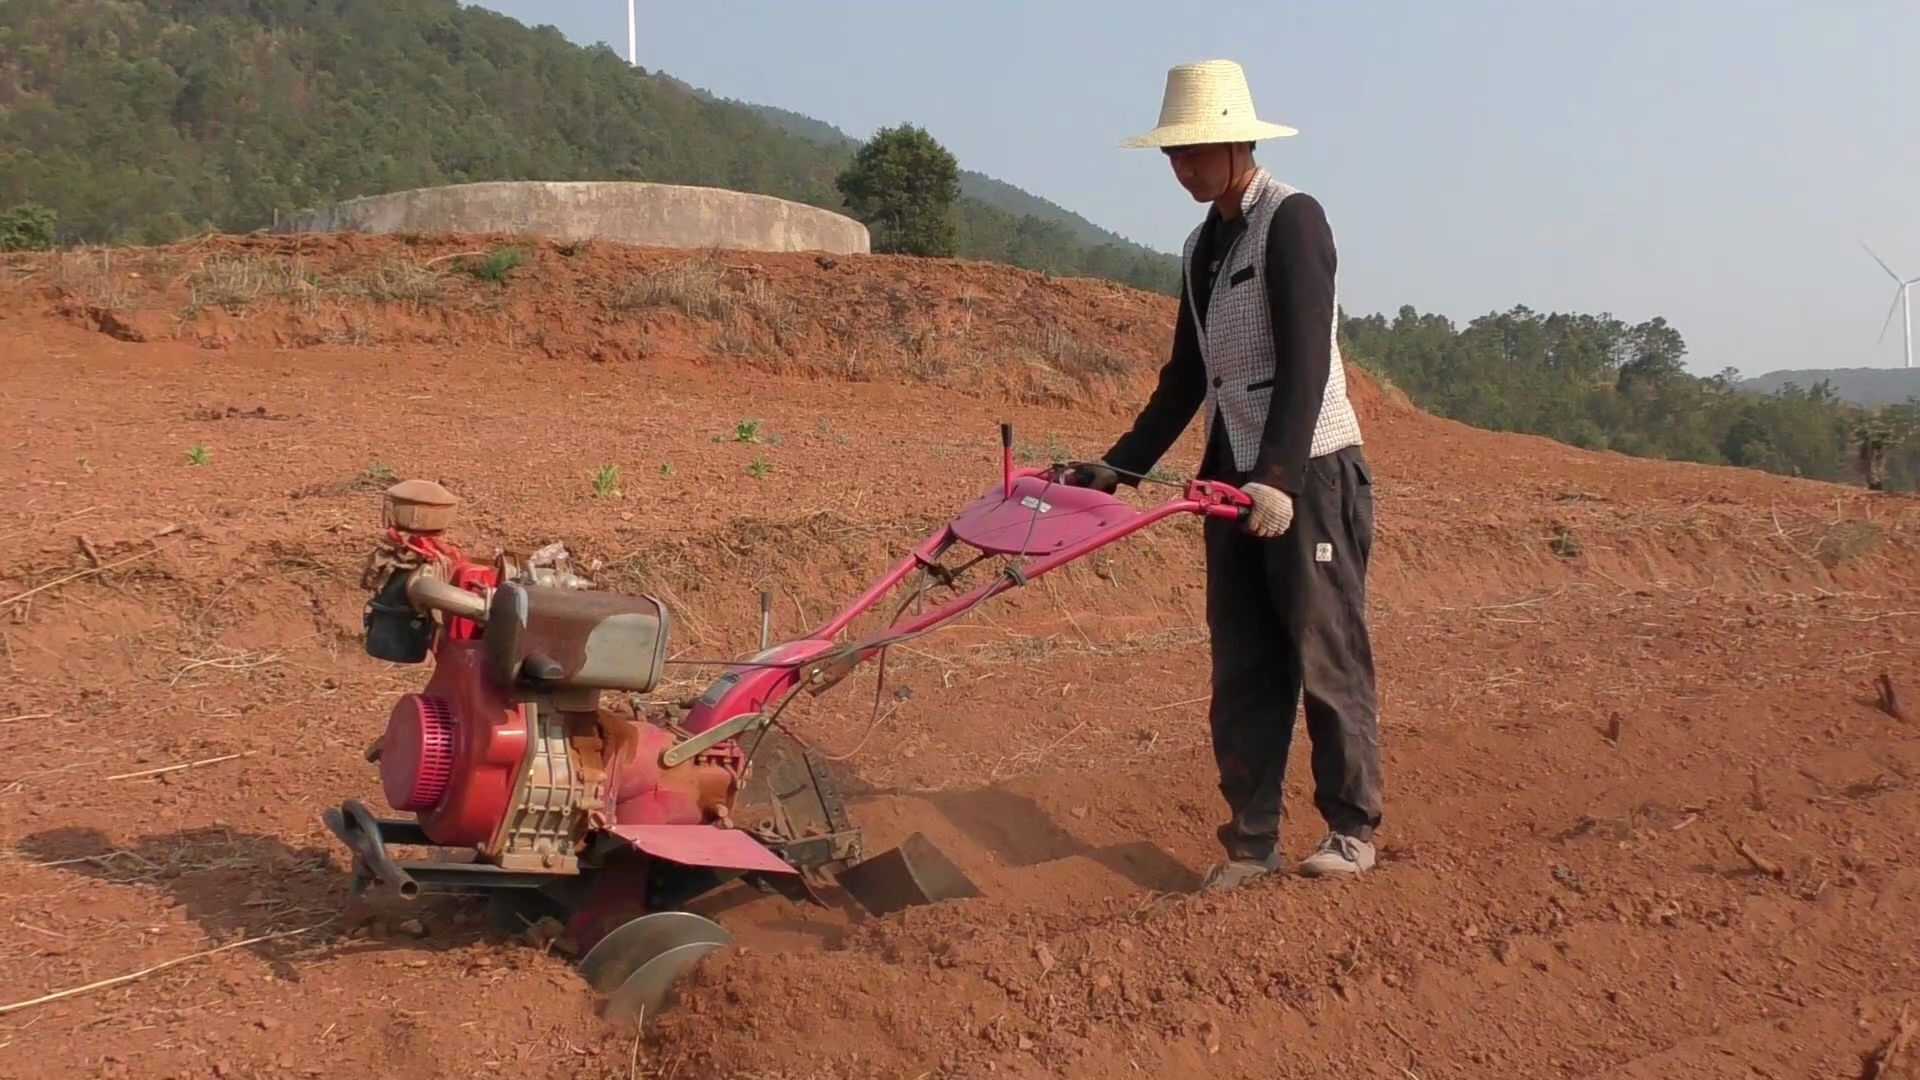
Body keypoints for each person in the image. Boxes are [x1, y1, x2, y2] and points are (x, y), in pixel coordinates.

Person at [1062, 59, 1382, 889]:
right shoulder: (1201, 249)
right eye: (1173, 155)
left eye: (1196, 152)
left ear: (1239, 142)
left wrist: (1277, 476)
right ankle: (1252, 843)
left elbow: (1309, 357)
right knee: (1243, 665)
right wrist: (1117, 468)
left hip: (1307, 476)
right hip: (1230, 484)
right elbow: (1184, 378)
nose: (1183, 169)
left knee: (1324, 651)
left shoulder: (1294, 220)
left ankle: (1350, 829)